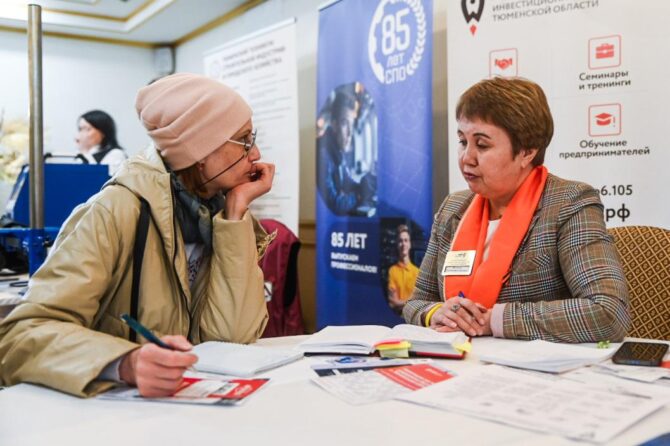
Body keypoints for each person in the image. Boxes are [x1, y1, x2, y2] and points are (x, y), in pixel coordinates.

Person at [0, 73, 276, 397]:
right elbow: (20, 336)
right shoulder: (113, 211)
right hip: (108, 414)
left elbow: (231, 338)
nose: (256, 153)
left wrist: (235, 214)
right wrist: (124, 363)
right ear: (200, 150)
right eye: (244, 140)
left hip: (186, 409)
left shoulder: (217, 213)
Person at [403, 77, 630, 343]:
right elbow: (416, 302)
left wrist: (494, 320)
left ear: (527, 151)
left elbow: (608, 313)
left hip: (531, 364)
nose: (466, 158)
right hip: (457, 359)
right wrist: (436, 313)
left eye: (482, 145)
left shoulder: (569, 203)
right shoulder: (453, 207)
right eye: (463, 141)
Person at [317, 91, 376, 216]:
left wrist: (364, 185)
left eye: (352, 124)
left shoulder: (337, 148)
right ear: (334, 125)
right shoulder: (323, 155)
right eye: (345, 123)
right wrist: (359, 195)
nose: (350, 133)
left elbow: (346, 181)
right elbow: (335, 204)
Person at [75, 109, 127, 175]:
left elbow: (98, 178)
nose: (82, 133)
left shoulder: (116, 154)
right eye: (80, 129)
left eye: (87, 129)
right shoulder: (84, 154)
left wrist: (85, 151)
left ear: (103, 132)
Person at [387, 224, 420, 313]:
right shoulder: (392, 271)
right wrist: (411, 302)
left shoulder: (417, 272)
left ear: (410, 244)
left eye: (406, 240)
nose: (403, 244)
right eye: (400, 241)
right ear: (397, 245)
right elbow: (393, 303)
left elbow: (419, 302)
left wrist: (399, 303)